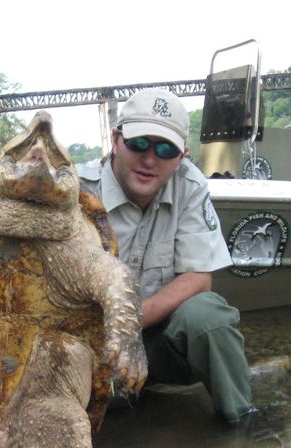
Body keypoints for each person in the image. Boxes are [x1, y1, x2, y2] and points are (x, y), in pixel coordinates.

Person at [78, 88, 255, 425]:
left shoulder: (190, 185)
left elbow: (200, 276)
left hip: (156, 342)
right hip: (88, 347)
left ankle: (242, 429)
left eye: (165, 149)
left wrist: (127, 325)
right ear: (116, 140)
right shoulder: (76, 192)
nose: (150, 159)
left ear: (183, 156)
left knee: (209, 315)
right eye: (139, 143)